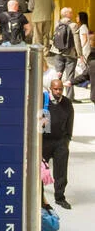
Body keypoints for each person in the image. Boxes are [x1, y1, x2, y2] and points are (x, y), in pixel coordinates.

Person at [42, 76, 73, 209]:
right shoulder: (44, 100)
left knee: (61, 171)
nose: (58, 92)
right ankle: (39, 197)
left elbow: (70, 121)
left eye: (60, 89)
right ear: (51, 89)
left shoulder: (67, 103)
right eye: (56, 89)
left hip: (60, 141)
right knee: (41, 170)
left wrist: (67, 139)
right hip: (45, 141)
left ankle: (60, 197)